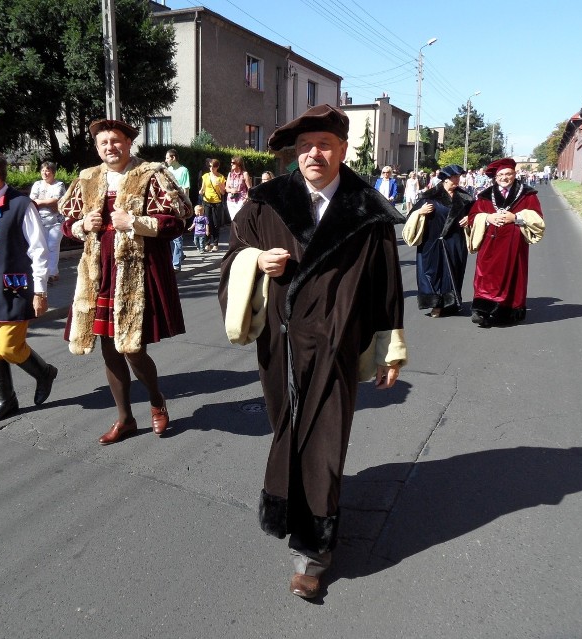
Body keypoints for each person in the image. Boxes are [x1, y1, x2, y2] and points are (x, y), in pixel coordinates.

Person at [218, 105, 407, 600]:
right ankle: (283, 505)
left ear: (343, 150)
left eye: (323, 144)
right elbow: (230, 258)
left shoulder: (367, 212)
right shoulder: (266, 202)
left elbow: (387, 286)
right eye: (304, 147)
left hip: (336, 347)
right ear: (293, 155)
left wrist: (389, 349)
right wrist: (256, 259)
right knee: (287, 427)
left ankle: (312, 551)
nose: (313, 154)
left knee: (323, 438)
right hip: (279, 344)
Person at [59, 118, 191, 445]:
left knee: (132, 349)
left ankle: (157, 400)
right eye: (103, 143)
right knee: (110, 351)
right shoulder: (87, 178)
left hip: (137, 275)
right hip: (99, 274)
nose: (109, 147)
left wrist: (135, 221)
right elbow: (66, 222)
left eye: (116, 141)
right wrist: (82, 226)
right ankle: (125, 419)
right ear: (96, 147)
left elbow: (179, 220)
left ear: (129, 143)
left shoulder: (153, 174)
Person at [0, 148, 58, 423]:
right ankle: (7, 400)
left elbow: (39, 250)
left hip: (14, 288)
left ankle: (44, 373)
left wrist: (40, 291)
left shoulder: (21, 204)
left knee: (9, 347)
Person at [466, 157, 545, 328]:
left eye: (508, 174)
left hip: (514, 245)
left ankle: (507, 311)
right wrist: (487, 217)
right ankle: (482, 311)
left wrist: (516, 217)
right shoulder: (485, 196)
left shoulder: (527, 195)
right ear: (495, 177)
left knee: (513, 274)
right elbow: (472, 217)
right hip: (490, 245)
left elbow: (538, 218)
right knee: (484, 274)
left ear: (514, 174)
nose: (504, 177)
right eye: (500, 174)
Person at [402, 164, 472, 317]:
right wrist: (420, 212)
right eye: (454, 177)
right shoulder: (430, 196)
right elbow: (409, 218)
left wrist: (470, 218)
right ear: (445, 179)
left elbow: (475, 214)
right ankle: (435, 304)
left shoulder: (465, 198)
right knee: (430, 272)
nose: (457, 180)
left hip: (455, 241)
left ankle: (450, 303)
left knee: (452, 271)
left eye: (458, 177)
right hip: (431, 241)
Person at [29, 161, 66, 282]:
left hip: (56, 221)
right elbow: (32, 200)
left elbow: (55, 200)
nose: (45, 173)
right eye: (43, 170)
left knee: (52, 246)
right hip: (40, 221)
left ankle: (53, 273)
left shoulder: (59, 185)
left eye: (48, 170)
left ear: (53, 172)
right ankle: (43, 272)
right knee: (42, 247)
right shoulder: (37, 184)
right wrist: (46, 202)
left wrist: (40, 202)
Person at [165, 149, 190, 272]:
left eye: (167, 158)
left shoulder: (183, 170)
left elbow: (186, 189)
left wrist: (186, 206)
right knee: (169, 234)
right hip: (169, 205)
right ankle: (177, 257)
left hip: (179, 205)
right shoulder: (167, 171)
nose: (166, 160)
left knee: (178, 236)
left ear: (173, 158)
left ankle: (176, 264)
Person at [199, 158, 225, 252]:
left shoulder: (221, 177)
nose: (211, 168)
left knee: (215, 223)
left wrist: (220, 185)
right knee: (207, 223)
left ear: (217, 167)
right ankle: (207, 243)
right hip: (207, 201)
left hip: (217, 202)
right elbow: (203, 188)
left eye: (213, 166)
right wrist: (201, 191)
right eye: (210, 166)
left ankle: (215, 243)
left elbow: (223, 192)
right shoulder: (205, 176)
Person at [225, 156, 252, 221]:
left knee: (240, 220)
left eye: (233, 162)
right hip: (231, 201)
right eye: (231, 162)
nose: (231, 164)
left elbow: (250, 188)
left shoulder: (244, 174)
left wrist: (245, 200)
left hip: (241, 201)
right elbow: (226, 188)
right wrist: (231, 190)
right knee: (234, 220)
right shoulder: (230, 174)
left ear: (238, 163)